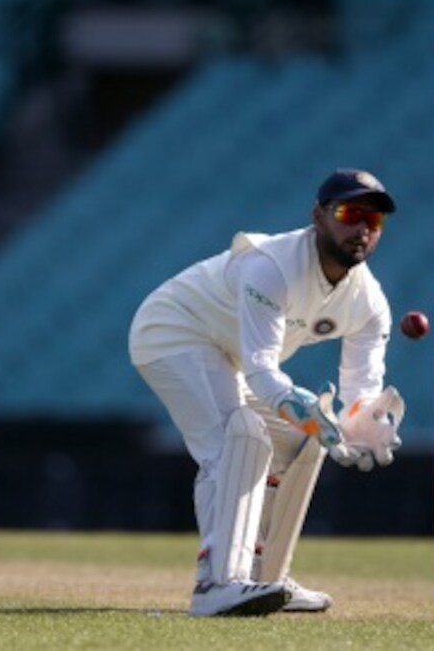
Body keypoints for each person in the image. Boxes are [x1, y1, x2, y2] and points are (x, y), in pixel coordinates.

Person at [129, 169, 405, 616]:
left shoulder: (370, 303)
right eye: (350, 213)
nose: (362, 229)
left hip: (226, 355)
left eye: (373, 222)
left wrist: (364, 427)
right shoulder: (271, 267)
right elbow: (261, 371)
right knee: (243, 438)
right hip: (172, 332)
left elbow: (359, 396)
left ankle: (267, 580)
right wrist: (314, 414)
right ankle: (218, 584)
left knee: (302, 442)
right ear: (319, 216)